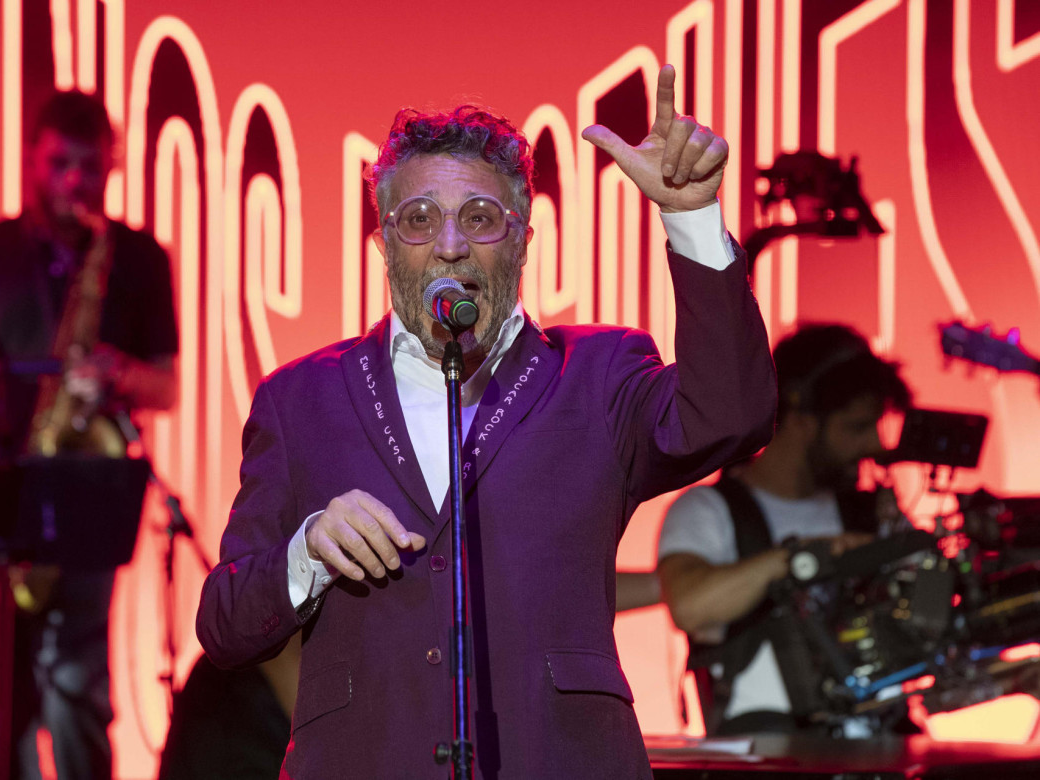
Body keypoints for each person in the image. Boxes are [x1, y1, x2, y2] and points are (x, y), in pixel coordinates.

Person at [196, 65, 776, 778]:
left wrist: (690, 216)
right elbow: (224, 624)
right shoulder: (300, 399)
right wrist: (308, 550)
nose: (449, 244)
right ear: (383, 243)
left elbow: (733, 418)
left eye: (479, 217)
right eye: (418, 219)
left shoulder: (596, 374)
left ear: (524, 238)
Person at [0, 90, 178, 779]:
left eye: (91, 168)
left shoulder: (137, 258)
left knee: (79, 690)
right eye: (60, 163)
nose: (73, 182)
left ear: (111, 169)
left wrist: (120, 372)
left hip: (88, 491)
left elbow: (167, 388)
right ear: (32, 156)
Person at [656, 323, 912, 737]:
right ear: (801, 418)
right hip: (770, 756)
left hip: (883, 747)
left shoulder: (871, 512)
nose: (876, 446)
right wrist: (800, 558)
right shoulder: (709, 510)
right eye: (856, 427)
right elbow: (688, 605)